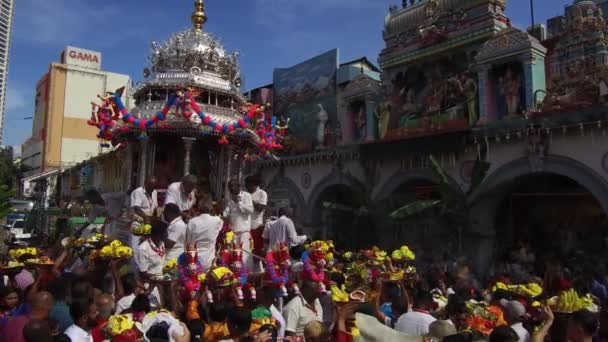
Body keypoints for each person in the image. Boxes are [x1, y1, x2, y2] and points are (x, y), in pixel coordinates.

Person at [136, 220, 168, 308]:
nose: (167, 235)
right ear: (157, 234)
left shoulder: (162, 244)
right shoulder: (143, 248)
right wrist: (161, 279)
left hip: (162, 284)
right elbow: (143, 273)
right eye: (165, 233)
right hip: (149, 286)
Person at [223, 180, 254, 269]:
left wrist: (239, 203)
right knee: (233, 256)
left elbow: (250, 210)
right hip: (233, 233)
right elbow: (226, 213)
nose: (231, 190)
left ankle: (247, 275)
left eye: (233, 187)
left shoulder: (246, 195)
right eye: (230, 189)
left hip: (243, 232)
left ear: (239, 187)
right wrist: (224, 210)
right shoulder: (230, 198)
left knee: (244, 255)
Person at [187, 200, 224, 268]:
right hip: (210, 259)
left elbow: (188, 242)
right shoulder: (217, 220)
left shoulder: (192, 222)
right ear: (211, 209)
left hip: (194, 260)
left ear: (199, 209)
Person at [246, 176, 267, 261]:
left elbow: (260, 208)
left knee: (256, 253)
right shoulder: (246, 194)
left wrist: (250, 200)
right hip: (245, 228)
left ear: (255, 185)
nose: (246, 187)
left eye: (248, 185)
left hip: (256, 228)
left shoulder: (262, 193)